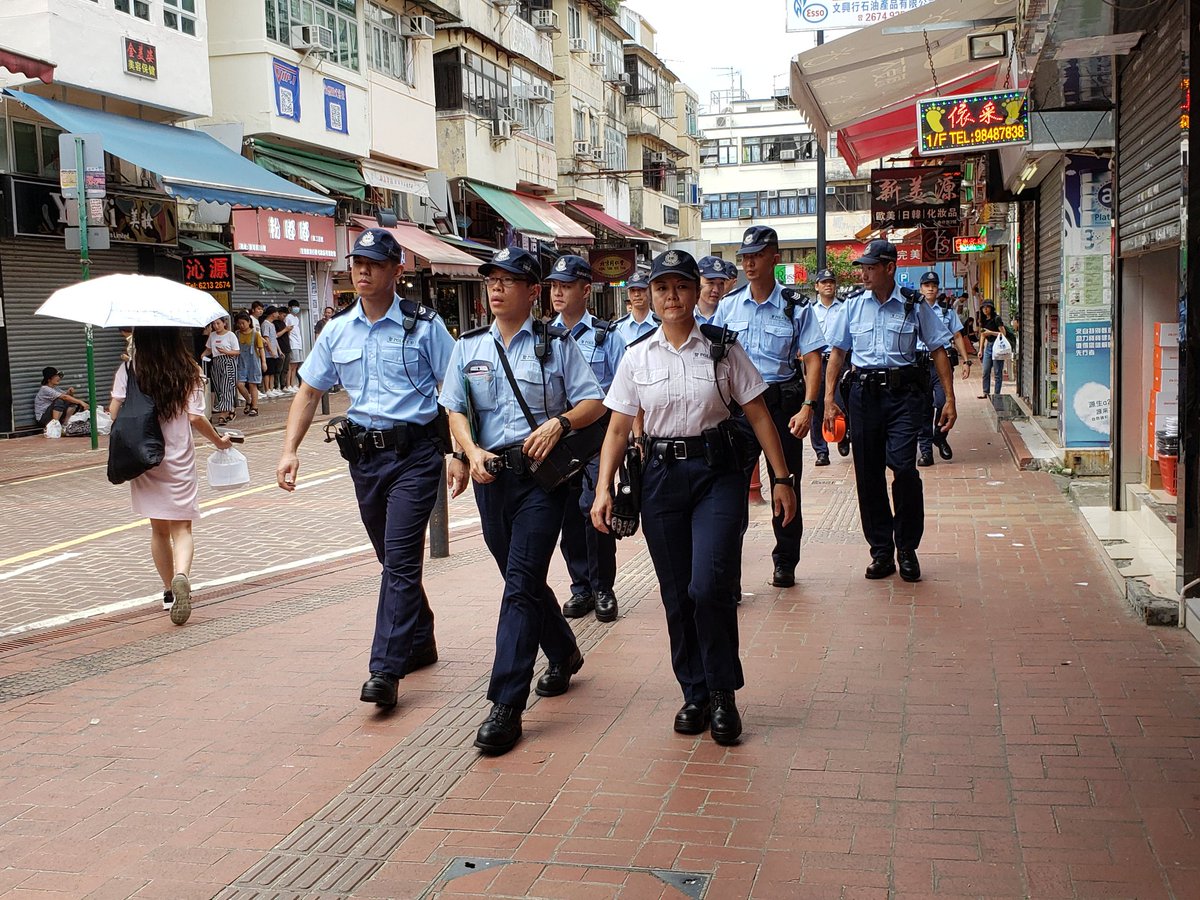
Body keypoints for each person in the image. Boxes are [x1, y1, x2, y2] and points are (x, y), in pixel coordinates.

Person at [592, 249, 797, 745]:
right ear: (651, 295)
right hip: (660, 479)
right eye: (661, 288)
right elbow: (619, 428)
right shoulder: (636, 355)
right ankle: (695, 693)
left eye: (680, 286)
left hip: (716, 475)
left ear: (697, 289)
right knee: (676, 593)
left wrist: (782, 478)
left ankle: (723, 692)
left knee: (710, 585)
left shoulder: (724, 349)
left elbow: (759, 414)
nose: (671, 296)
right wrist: (602, 488)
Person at [277, 228, 456, 709]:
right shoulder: (336, 330)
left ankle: (385, 670)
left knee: (399, 561)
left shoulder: (425, 326)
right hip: (364, 460)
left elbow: (456, 390)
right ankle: (420, 638)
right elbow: (309, 392)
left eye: (374, 263)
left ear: (397, 271)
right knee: (389, 559)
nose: (362, 270)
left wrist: (461, 452)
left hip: (416, 457)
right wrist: (289, 449)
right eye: (357, 261)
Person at [440, 246, 606, 756]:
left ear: (532, 292)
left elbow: (595, 401)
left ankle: (506, 703)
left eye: (508, 280)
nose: (495, 288)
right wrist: (467, 453)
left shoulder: (554, 345)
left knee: (519, 585)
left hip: (541, 482)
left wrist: (559, 424)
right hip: (493, 480)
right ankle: (563, 651)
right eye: (491, 279)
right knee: (523, 582)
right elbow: (456, 410)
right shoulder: (467, 347)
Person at [820, 240, 956, 584]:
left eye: (870, 267)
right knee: (868, 475)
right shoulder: (852, 306)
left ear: (889, 268)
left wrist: (950, 399)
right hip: (864, 397)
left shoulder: (913, 306)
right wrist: (828, 399)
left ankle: (907, 548)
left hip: (904, 397)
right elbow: (837, 354)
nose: (864, 273)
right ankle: (881, 551)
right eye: (862, 268)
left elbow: (939, 349)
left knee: (904, 468)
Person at [712, 225, 825, 589]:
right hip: (738, 413)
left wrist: (808, 406)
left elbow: (812, 359)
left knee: (786, 481)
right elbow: (711, 359)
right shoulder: (728, 307)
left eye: (757, 256)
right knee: (730, 489)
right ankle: (729, 570)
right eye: (744, 257)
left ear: (774, 258)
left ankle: (785, 561)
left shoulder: (795, 307)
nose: (749, 263)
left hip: (781, 408)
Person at [109, 327, 234, 624]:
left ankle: (168, 591)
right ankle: (182, 576)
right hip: (178, 456)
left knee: (158, 529)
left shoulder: (130, 368)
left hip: (145, 456)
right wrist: (219, 441)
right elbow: (194, 417)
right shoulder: (187, 369)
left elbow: (114, 412)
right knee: (182, 529)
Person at [546, 254, 627, 623]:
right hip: (558, 442)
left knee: (596, 511)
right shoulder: (543, 337)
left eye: (566, 285)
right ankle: (580, 587)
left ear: (585, 289)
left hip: (597, 437)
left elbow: (624, 390)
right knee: (567, 516)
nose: (558, 292)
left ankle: (603, 588)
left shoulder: (606, 336)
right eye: (554, 286)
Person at [915, 271, 975, 467]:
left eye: (934, 285)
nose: (930, 288)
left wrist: (966, 361)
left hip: (941, 365)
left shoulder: (946, 311)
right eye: (926, 285)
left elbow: (957, 336)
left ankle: (939, 436)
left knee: (942, 402)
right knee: (923, 408)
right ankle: (925, 451)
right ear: (921, 288)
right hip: (919, 364)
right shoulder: (913, 309)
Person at [807, 268, 850, 465]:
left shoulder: (844, 308)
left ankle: (843, 436)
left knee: (842, 402)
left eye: (831, 282)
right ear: (816, 286)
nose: (828, 285)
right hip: (817, 362)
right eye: (823, 282)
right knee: (816, 406)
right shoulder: (810, 311)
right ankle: (821, 451)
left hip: (840, 361)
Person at [204, 316, 239, 426]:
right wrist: (203, 355)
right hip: (216, 362)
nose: (216, 326)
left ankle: (223, 414)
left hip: (228, 361)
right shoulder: (212, 335)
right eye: (214, 324)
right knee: (218, 387)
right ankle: (230, 409)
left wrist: (226, 351)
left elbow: (237, 351)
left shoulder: (230, 335)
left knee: (227, 387)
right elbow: (209, 349)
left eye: (218, 323)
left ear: (224, 323)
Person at [977, 300, 1012, 399]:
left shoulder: (997, 319)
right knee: (985, 371)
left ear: (992, 308)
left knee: (997, 372)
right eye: (983, 308)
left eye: (987, 307)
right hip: (988, 347)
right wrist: (980, 349)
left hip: (998, 347)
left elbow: (1003, 334)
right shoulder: (983, 320)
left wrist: (991, 332)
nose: (985, 309)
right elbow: (983, 335)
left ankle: (997, 394)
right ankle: (985, 392)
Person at [233, 312, 265, 417]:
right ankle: (248, 400)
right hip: (241, 362)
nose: (241, 325)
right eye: (239, 323)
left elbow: (261, 349)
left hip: (254, 363)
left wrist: (264, 362)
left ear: (249, 322)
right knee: (239, 384)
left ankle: (255, 407)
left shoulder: (256, 334)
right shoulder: (236, 334)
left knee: (252, 384)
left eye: (243, 323)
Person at [614, 272, 659, 344]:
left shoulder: (660, 325)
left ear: (650, 291)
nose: (636, 294)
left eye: (641, 289)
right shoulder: (618, 327)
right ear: (628, 294)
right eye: (633, 290)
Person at [696, 256, 734, 324]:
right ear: (698, 282)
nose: (716, 290)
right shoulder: (685, 314)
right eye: (711, 283)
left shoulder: (731, 315)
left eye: (721, 283)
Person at [259, 305, 280, 398]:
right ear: (273, 313)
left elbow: (274, 339)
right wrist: (271, 350)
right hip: (268, 353)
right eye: (277, 312)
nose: (278, 314)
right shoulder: (265, 324)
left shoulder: (272, 324)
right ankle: (267, 389)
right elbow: (266, 338)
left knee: (273, 372)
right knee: (267, 372)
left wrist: (279, 351)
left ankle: (271, 389)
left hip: (274, 352)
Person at [275, 301, 295, 390]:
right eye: (283, 315)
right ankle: (277, 386)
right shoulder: (275, 323)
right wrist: (285, 329)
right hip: (280, 348)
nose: (284, 317)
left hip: (287, 348)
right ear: (278, 314)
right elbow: (276, 335)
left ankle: (283, 385)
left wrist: (288, 330)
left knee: (285, 368)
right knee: (279, 368)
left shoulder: (283, 323)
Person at [284, 302, 303, 391]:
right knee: (291, 365)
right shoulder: (288, 318)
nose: (296, 308)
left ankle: (293, 383)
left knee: (295, 365)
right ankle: (288, 385)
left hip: (298, 344)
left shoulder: (296, 318)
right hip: (292, 343)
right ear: (290, 307)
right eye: (294, 306)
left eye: (297, 306)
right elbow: (288, 331)